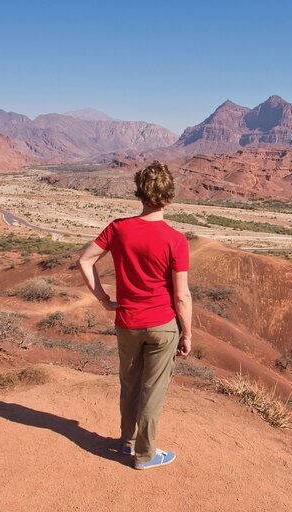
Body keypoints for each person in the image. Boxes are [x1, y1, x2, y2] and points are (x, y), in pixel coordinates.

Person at [77, 160, 193, 470]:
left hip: (127, 322)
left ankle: (127, 442)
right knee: (152, 390)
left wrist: (104, 300)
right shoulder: (176, 239)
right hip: (162, 326)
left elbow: (85, 261)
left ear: (139, 193)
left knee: (129, 384)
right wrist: (188, 334)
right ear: (168, 195)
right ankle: (145, 455)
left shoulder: (118, 229)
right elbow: (181, 296)